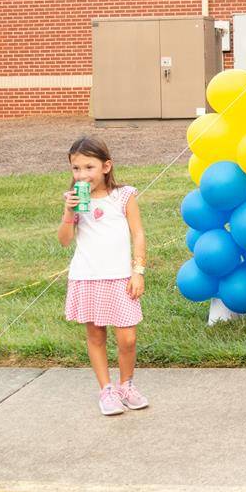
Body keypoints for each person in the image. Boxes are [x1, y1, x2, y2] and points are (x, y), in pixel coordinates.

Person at [58, 136, 148, 416]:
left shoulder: (124, 196)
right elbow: (64, 240)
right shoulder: (74, 200)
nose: (82, 174)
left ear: (106, 166)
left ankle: (126, 385)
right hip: (87, 276)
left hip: (120, 277)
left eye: (89, 167)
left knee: (127, 338)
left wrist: (138, 271)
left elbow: (138, 234)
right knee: (96, 336)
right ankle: (107, 390)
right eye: (76, 168)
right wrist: (69, 211)